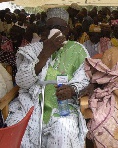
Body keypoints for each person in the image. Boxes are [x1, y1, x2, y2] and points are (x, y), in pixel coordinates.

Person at [5, 8, 89, 148]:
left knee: (64, 129)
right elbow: (22, 82)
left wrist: (72, 89)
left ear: (67, 30)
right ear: (45, 30)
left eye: (59, 28)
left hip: (63, 107)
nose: (54, 31)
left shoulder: (78, 50)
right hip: (31, 104)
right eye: (50, 27)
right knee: (17, 127)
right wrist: (46, 52)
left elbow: (85, 79)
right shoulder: (32, 49)